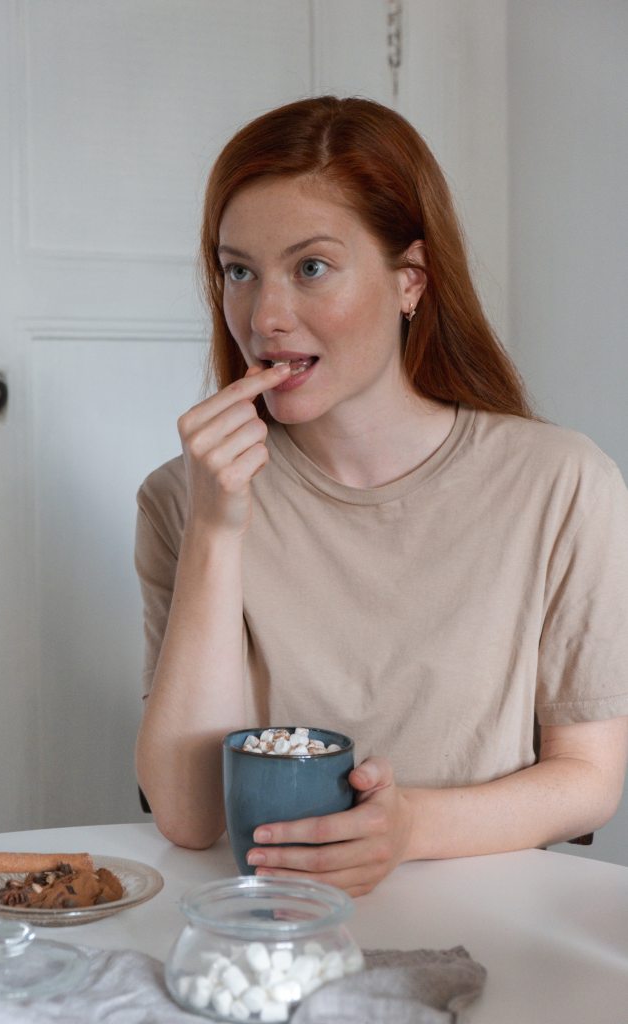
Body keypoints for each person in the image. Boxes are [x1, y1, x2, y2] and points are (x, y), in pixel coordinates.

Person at [134, 96, 628, 896]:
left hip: (494, 917)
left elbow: (588, 778)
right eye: (238, 271)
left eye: (311, 268)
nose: (264, 316)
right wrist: (216, 529)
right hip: (269, 929)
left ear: (410, 281)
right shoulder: (178, 498)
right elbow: (190, 815)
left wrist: (409, 829)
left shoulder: (564, 485)